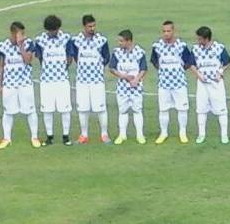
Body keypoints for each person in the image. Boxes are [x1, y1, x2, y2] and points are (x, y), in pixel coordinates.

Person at [0, 21, 39, 149]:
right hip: (9, 84)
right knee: (8, 112)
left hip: (25, 83)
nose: (23, 36)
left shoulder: (29, 44)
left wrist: (21, 47)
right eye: (21, 33)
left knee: (30, 110)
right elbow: (1, 66)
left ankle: (34, 137)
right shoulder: (2, 46)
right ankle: (7, 138)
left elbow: (28, 60)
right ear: (13, 33)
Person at [150, 21, 195, 144]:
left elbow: (189, 61)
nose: (166, 33)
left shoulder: (181, 45)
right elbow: (154, 61)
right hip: (164, 84)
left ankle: (182, 132)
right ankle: (163, 133)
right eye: (164, 31)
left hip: (179, 83)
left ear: (173, 31)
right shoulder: (157, 46)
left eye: (168, 31)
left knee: (182, 109)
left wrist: (178, 71)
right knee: (163, 109)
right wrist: (164, 71)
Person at [68, 14, 110, 145]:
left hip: (97, 80)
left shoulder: (102, 40)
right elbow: (75, 57)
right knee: (83, 108)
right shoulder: (76, 40)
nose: (92, 28)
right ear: (84, 26)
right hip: (82, 80)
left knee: (101, 108)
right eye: (89, 26)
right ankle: (84, 135)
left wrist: (96, 68)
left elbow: (106, 57)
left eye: (93, 26)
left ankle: (104, 134)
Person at [34, 15, 73, 146]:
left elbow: (69, 58)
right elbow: (40, 58)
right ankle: (49, 136)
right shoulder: (40, 40)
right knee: (47, 109)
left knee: (65, 109)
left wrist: (62, 68)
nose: (53, 32)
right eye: (50, 30)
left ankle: (66, 136)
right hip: (46, 80)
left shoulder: (66, 38)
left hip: (62, 80)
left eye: (54, 30)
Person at [190, 26, 230, 144]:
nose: (198, 41)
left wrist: (220, 72)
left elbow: (227, 62)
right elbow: (191, 64)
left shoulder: (219, 48)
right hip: (202, 85)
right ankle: (201, 134)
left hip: (216, 84)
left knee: (222, 110)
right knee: (201, 109)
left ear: (206, 38)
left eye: (200, 39)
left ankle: (224, 135)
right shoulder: (196, 49)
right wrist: (198, 74)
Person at [108, 29, 147, 145]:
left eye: (121, 41)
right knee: (123, 111)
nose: (119, 43)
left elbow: (143, 69)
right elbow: (112, 68)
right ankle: (122, 135)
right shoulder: (117, 52)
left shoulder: (139, 52)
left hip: (136, 87)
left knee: (137, 110)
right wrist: (123, 76)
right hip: (122, 87)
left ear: (129, 41)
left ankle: (140, 135)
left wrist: (136, 79)